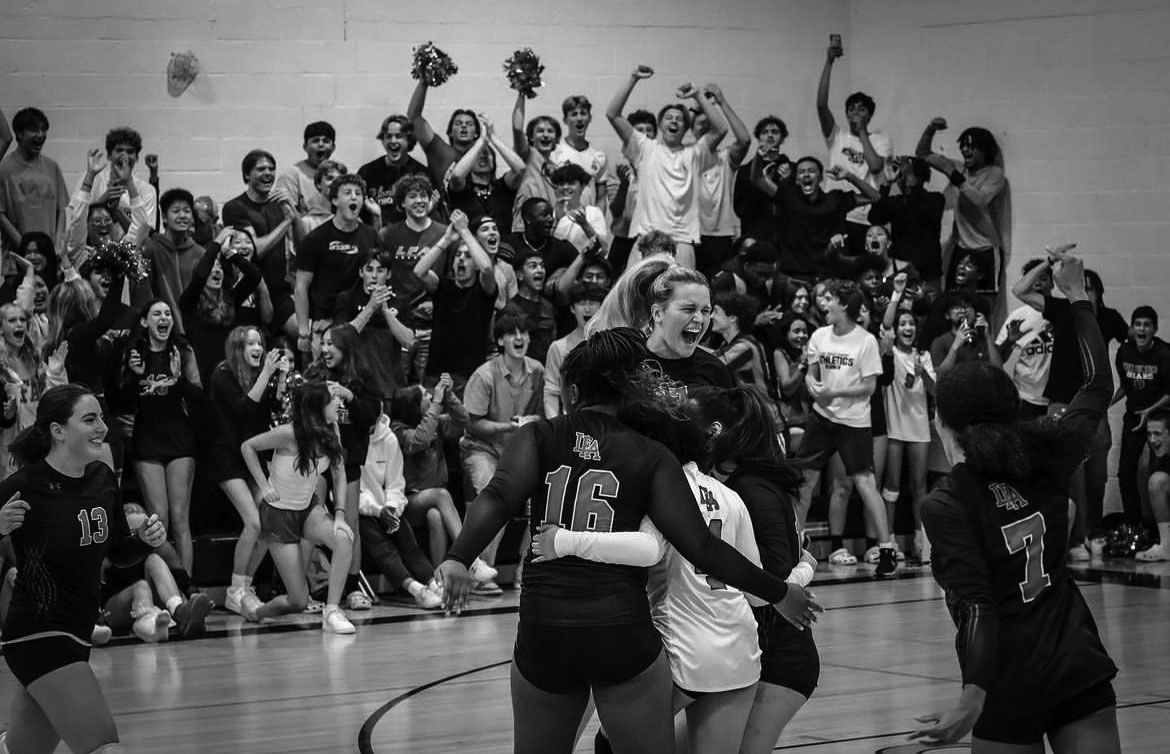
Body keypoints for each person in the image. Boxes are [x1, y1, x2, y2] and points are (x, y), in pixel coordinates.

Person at [436, 328, 820, 754]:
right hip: (619, 629)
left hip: (545, 626)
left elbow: (498, 497)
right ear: (633, 391)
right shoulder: (650, 454)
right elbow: (702, 548)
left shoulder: (539, 436)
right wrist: (779, 591)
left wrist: (458, 558)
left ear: (574, 389)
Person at [914, 253, 1120, 752]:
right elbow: (1097, 384)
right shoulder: (1049, 453)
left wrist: (972, 694)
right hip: (1077, 664)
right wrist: (1077, 300)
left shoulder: (948, 500)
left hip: (1009, 681)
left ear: (945, 423)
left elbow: (977, 605)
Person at [0, 383, 167, 754]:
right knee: (103, 748)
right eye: (89, 419)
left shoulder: (102, 479)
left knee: (21, 750)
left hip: (78, 634)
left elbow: (120, 552)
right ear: (58, 431)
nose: (102, 428)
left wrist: (145, 540)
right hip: (37, 634)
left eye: (101, 419)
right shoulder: (23, 487)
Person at [685, 387, 819, 754]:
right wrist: (806, 563)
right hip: (752, 651)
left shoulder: (751, 488)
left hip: (782, 658)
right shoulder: (736, 485)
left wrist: (805, 568)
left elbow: (775, 579)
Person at [796, 280, 897, 576]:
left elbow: (869, 386)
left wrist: (834, 394)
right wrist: (813, 387)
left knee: (865, 484)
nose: (825, 304)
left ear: (844, 306)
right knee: (804, 483)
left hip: (853, 422)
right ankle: (793, 544)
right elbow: (811, 375)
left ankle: (887, 548)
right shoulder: (819, 335)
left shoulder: (865, 341)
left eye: (831, 300)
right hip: (820, 418)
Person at [240, 381, 356, 633]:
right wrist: (263, 485)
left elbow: (339, 473)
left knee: (344, 538)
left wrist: (339, 515)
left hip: (308, 509)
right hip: (278, 515)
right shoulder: (288, 433)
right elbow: (247, 447)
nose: (338, 403)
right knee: (298, 601)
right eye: (332, 399)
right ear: (316, 406)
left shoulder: (331, 430)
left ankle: (333, 611)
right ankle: (258, 612)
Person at [606, 65, 727, 269]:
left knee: (678, 299)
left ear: (686, 127)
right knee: (635, 297)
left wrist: (697, 95)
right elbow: (613, 114)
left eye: (679, 119)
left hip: (681, 241)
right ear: (661, 125)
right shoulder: (645, 148)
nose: (674, 121)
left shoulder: (695, 154)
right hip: (646, 239)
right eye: (669, 118)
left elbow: (721, 128)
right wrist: (633, 78)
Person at [208, 326, 286, 617]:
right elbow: (243, 410)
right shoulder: (223, 374)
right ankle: (234, 590)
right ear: (238, 348)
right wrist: (266, 373)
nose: (258, 347)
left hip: (252, 459)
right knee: (253, 522)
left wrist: (277, 382)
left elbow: (267, 414)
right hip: (227, 459)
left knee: (270, 521)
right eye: (251, 343)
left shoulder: (260, 375)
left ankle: (245, 585)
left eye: (260, 342)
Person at [816, 40, 894, 252]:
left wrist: (861, 132)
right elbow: (821, 105)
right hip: (835, 213)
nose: (855, 112)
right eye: (851, 109)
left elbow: (876, 166)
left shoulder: (880, 139)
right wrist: (829, 62)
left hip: (864, 216)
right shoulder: (837, 136)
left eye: (861, 109)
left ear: (870, 115)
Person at [915, 119, 1007, 296]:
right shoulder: (958, 168)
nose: (965, 150)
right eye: (963, 146)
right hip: (961, 247)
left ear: (984, 150)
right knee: (952, 298)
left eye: (971, 147)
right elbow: (922, 153)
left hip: (986, 248)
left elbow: (980, 200)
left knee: (984, 301)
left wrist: (955, 176)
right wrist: (931, 128)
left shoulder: (994, 174)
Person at [880, 310, 936, 563]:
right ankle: (888, 539)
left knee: (919, 486)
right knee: (891, 485)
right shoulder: (890, 353)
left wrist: (922, 371)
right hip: (895, 425)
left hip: (919, 425)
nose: (907, 327)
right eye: (902, 323)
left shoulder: (924, 355)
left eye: (911, 322)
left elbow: (934, 389)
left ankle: (921, 542)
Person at [1114, 306, 1170, 531]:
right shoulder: (1124, 352)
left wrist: (1149, 411)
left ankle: (1161, 527)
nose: (1142, 329)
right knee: (1125, 472)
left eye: (1147, 325)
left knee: (1157, 471)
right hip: (1135, 416)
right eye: (1138, 324)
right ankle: (1132, 525)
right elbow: (1125, 387)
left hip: (1160, 415)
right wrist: (1104, 403)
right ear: (1132, 328)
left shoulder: (1164, 354)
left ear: (1154, 329)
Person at [358, 115, 429, 227]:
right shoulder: (367, 172)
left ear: (409, 140)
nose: (393, 141)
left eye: (399, 136)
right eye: (388, 136)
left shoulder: (420, 173)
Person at [1136, 410, 1170, 561]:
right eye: (1149, 434)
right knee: (1157, 481)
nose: (1152, 440)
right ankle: (1166, 546)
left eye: (1157, 433)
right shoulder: (1161, 459)